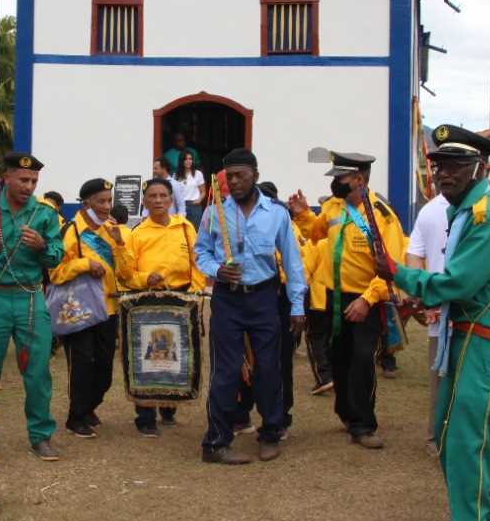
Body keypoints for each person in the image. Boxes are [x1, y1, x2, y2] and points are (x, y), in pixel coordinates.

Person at [380, 125, 490, 521]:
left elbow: (457, 283)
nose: (444, 174)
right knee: (453, 437)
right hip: (466, 337)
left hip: (488, 343)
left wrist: (398, 275)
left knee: (464, 442)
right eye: (439, 165)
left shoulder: (489, 217)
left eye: (455, 166)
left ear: (480, 168)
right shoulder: (464, 212)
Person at [195, 149, 306, 465]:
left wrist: (297, 304)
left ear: (255, 175)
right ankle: (216, 442)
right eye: (229, 176)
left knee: (269, 368)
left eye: (240, 175)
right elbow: (200, 253)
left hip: (264, 297)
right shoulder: (214, 212)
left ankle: (271, 433)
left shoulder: (276, 213)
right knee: (225, 371)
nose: (233, 181)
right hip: (228, 299)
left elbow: (293, 262)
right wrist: (217, 270)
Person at [0, 152, 65, 460]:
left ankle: (41, 436)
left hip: (31, 298)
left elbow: (57, 255)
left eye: (33, 181)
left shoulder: (44, 214)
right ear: (6, 178)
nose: (29, 186)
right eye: (23, 179)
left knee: (37, 372)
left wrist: (43, 247)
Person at [305, 154, 405, 449]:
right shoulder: (332, 206)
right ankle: (346, 413)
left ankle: (363, 424)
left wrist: (367, 299)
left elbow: (391, 264)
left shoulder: (383, 215)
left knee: (362, 359)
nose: (334, 182)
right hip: (333, 297)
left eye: (340, 178)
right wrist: (302, 216)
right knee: (339, 356)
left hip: (365, 297)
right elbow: (316, 235)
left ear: (359, 180)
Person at [114, 178, 207, 437]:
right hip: (147, 301)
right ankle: (145, 417)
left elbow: (197, 261)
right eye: (152, 196)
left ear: (171, 199)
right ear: (145, 201)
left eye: (163, 196)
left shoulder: (185, 227)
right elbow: (126, 273)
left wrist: (194, 293)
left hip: (180, 301)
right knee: (147, 356)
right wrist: (146, 279)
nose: (158, 201)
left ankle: (169, 408)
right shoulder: (138, 233)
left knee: (175, 355)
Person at [51, 178, 124, 439]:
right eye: (101, 201)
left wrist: (121, 244)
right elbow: (55, 272)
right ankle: (76, 416)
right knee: (82, 364)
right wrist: (83, 264)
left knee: (104, 369)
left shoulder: (112, 230)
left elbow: (123, 272)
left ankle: (90, 406)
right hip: (80, 309)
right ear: (86, 203)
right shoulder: (70, 231)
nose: (107, 207)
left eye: (109, 201)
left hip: (109, 309)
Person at [405, 191, 450, 456]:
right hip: (440, 312)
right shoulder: (431, 210)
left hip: (479, 313)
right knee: (440, 376)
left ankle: (466, 440)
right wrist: (420, 292)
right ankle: (436, 437)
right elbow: (414, 255)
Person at [173, 151, 208, 229]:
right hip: (180, 205)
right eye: (186, 159)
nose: (188, 161)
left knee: (194, 230)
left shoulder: (198, 174)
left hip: (194, 205)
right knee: (181, 230)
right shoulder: (176, 175)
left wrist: (198, 200)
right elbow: (173, 192)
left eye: (190, 159)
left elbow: (203, 192)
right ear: (182, 161)